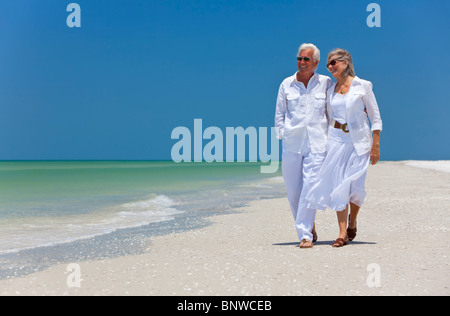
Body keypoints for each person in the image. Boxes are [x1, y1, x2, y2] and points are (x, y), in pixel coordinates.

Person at [306, 48, 383, 247]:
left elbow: (375, 117)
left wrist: (375, 145)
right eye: (328, 64)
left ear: (345, 62)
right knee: (340, 185)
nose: (330, 67)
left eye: (333, 62)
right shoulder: (330, 89)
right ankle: (342, 233)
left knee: (355, 187)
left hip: (359, 142)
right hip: (336, 140)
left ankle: (353, 221)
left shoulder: (362, 86)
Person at [275, 43, 332, 248]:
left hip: (317, 143)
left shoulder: (325, 83)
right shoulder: (286, 84)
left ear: (316, 62)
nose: (301, 62)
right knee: (293, 190)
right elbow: (280, 113)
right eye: (299, 58)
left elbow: (331, 111)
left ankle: (305, 234)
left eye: (306, 59)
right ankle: (308, 223)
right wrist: (282, 134)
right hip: (292, 143)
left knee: (310, 187)